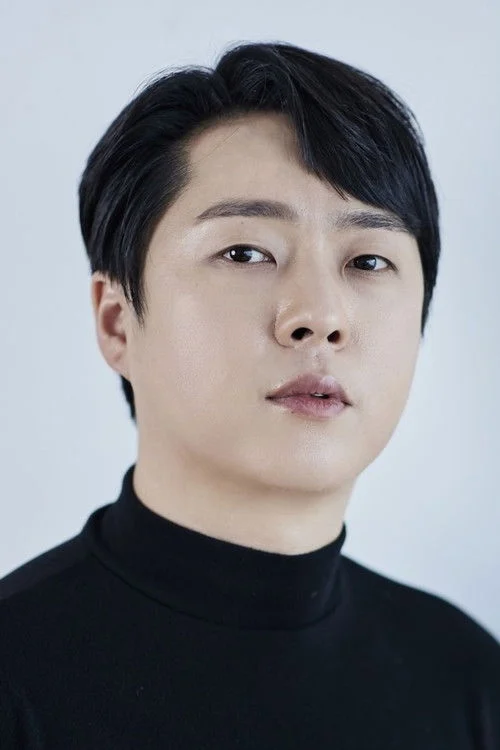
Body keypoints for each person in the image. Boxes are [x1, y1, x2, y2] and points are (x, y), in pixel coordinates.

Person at [0, 40, 498, 749]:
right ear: (117, 322)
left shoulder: (468, 682)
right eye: (245, 252)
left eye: (368, 260)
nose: (319, 316)